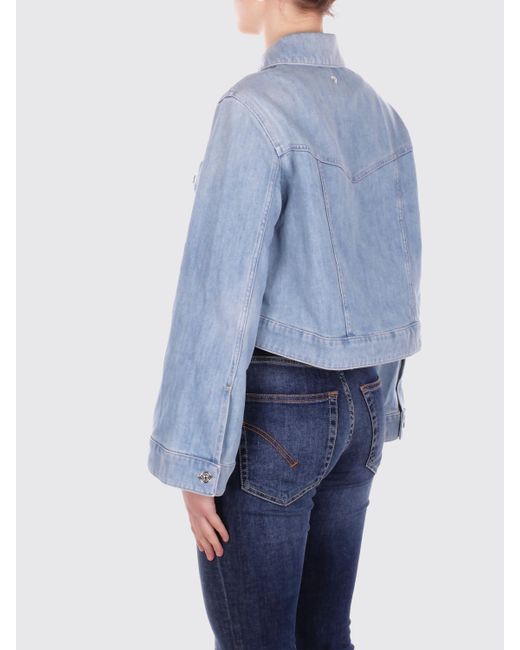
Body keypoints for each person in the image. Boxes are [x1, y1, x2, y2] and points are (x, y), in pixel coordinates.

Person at [147, 0, 422, 647]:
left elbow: (220, 291)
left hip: (275, 418)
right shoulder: (383, 115)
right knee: (327, 634)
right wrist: (381, 405)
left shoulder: (253, 109)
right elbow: (398, 279)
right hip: (362, 403)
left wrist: (195, 459)